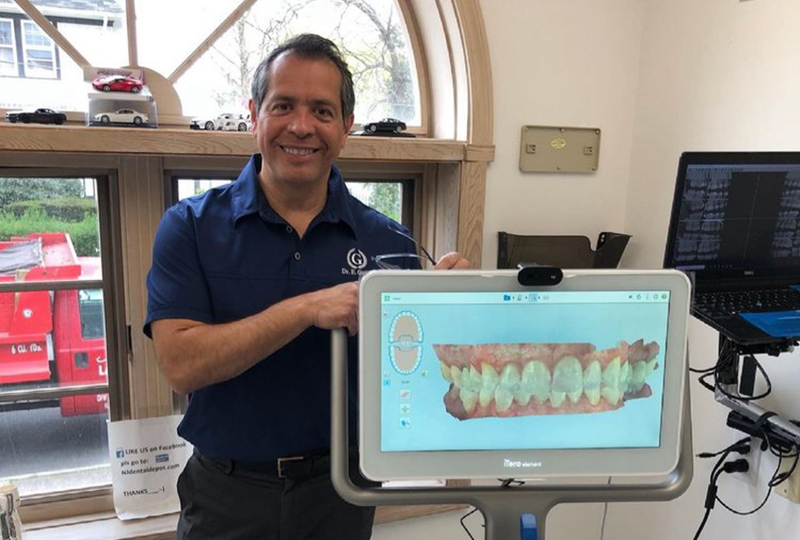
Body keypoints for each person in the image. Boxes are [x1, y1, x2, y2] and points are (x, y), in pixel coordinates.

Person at [144, 33, 469, 540]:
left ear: (345, 128)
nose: (301, 126)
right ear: (254, 115)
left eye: (322, 110)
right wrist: (305, 309)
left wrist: (458, 312)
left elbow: (417, 381)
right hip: (227, 496)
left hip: (340, 493)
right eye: (284, 106)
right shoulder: (189, 227)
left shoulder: (389, 240)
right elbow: (181, 366)